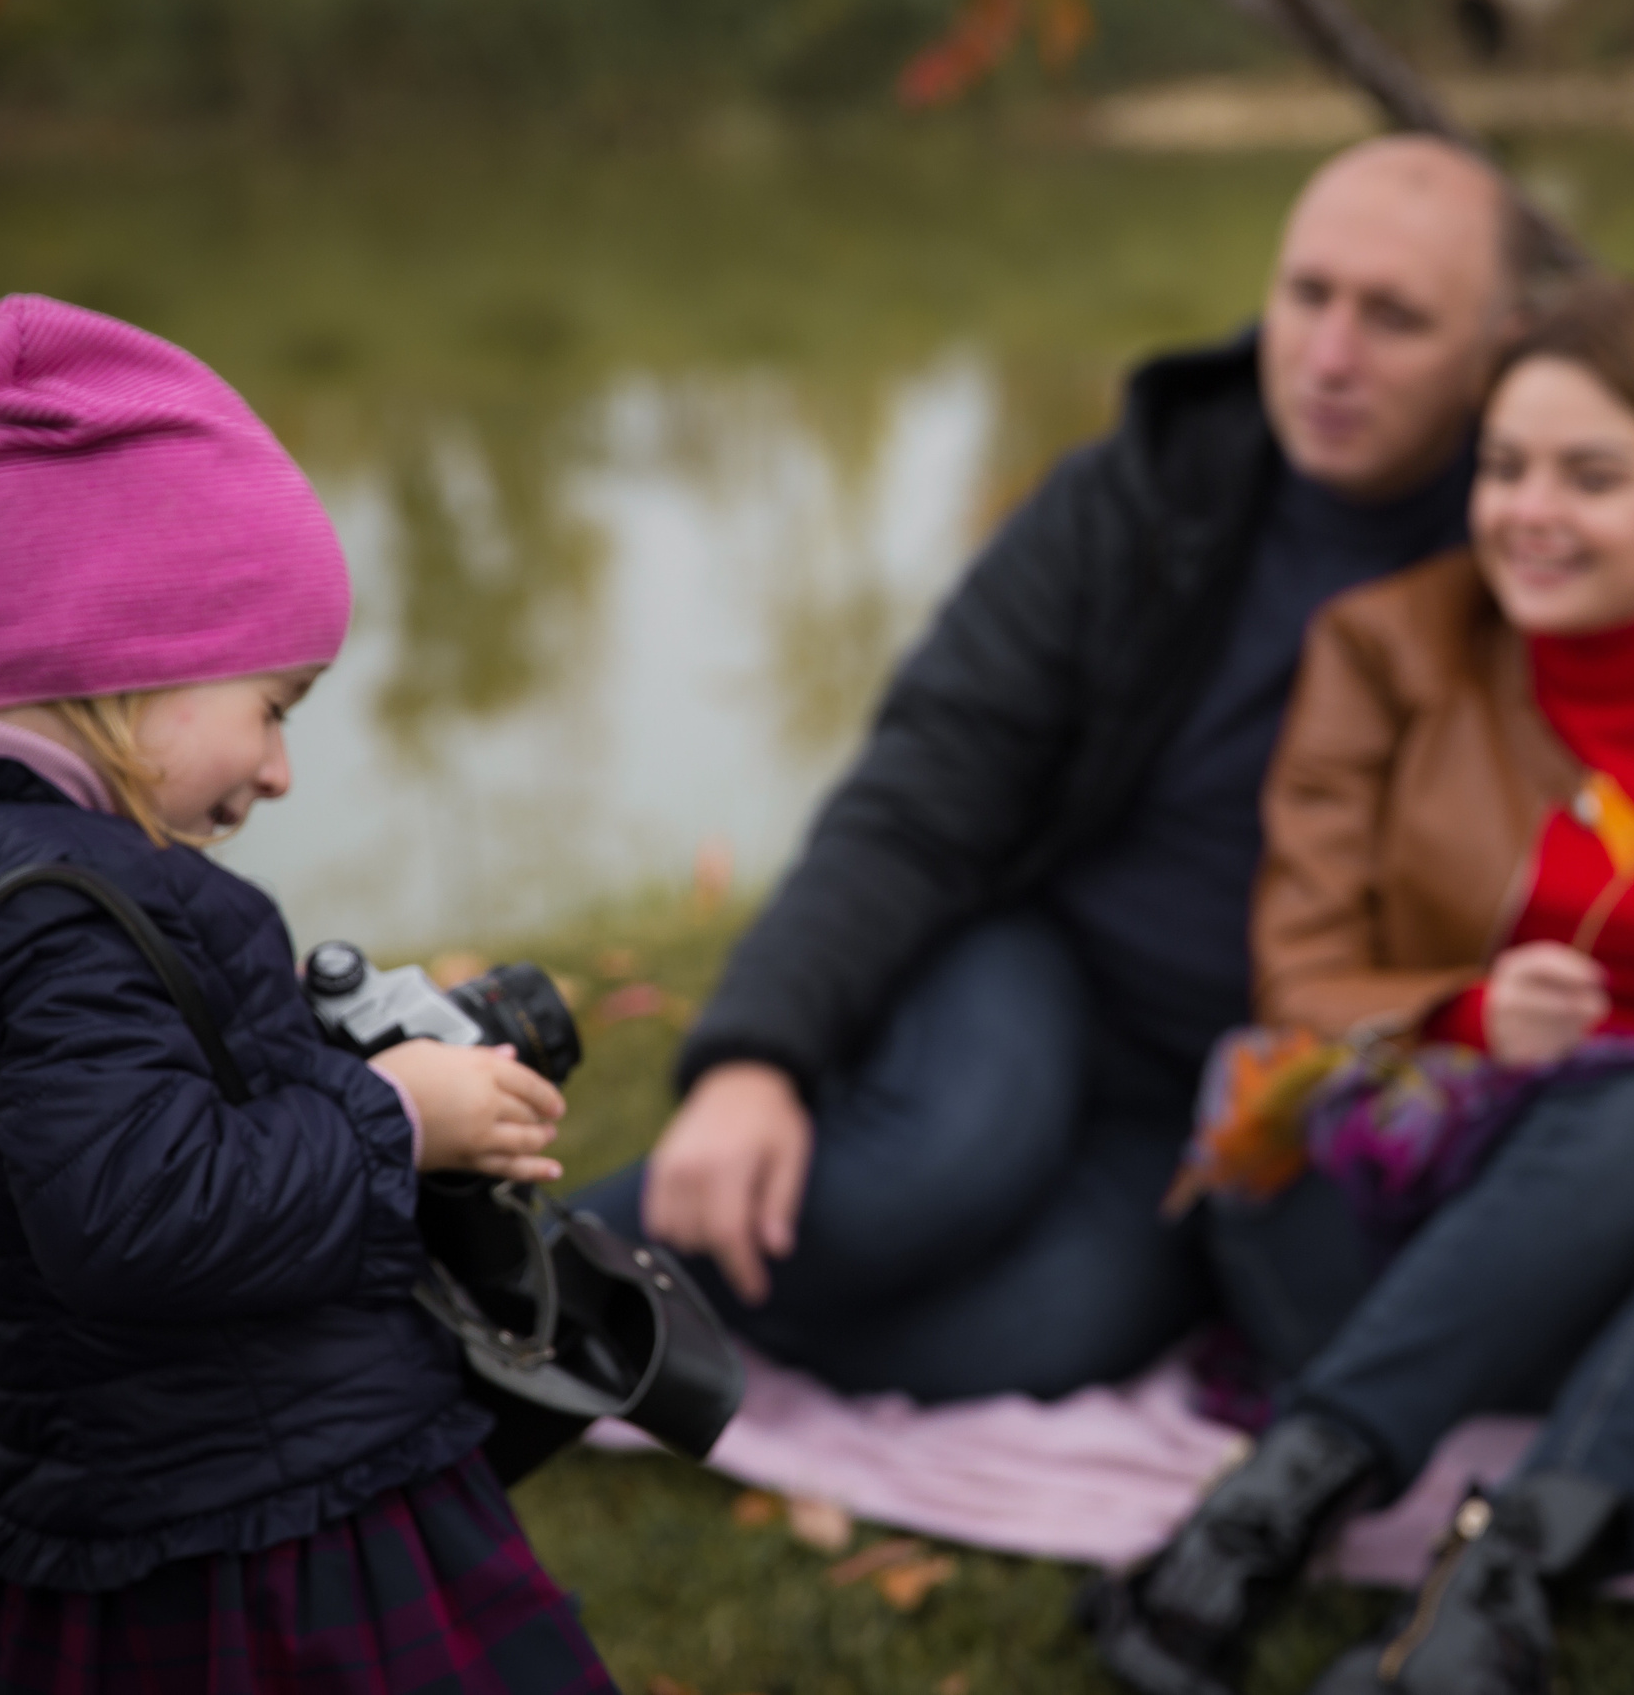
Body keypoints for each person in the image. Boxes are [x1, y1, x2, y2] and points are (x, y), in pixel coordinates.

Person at [1082, 281, 1634, 1695]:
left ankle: (1487, 1603)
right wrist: (1466, 1008)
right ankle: (1263, 1514)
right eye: (1505, 466)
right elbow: (1298, 975)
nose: (1527, 509)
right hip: (1367, 1222)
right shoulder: (1385, 651)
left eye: (1590, 473)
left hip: (1624, 1283)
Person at [571, 136, 1525, 1399]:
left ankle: (680, 1319)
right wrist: (757, 1057)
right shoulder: (1143, 491)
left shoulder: (1542, 548)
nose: (1330, 356)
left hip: (1245, 1083)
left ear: (1495, 347)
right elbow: (925, 786)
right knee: (931, 1176)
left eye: (1395, 319)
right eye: (1308, 295)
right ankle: (500, 1276)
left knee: (1032, 1336)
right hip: (1041, 959)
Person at [0, 294, 615, 1693]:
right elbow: (141, 1213)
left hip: (133, 1483)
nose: (283, 767)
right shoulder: (70, 910)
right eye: (277, 704)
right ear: (140, 661)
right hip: (284, 1514)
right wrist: (392, 1116)